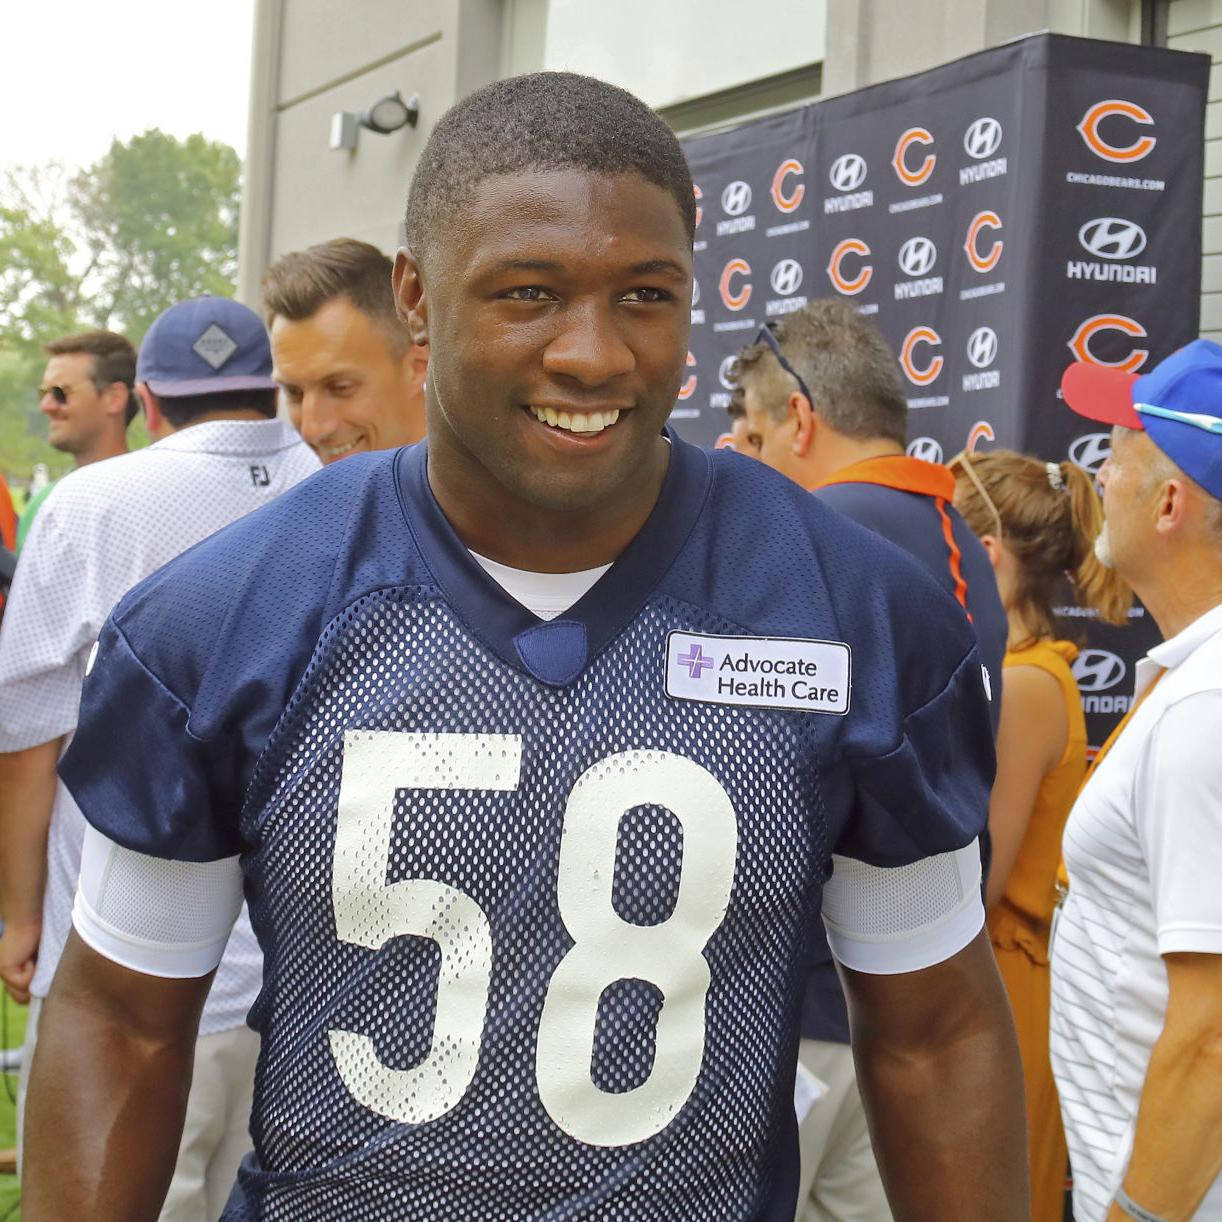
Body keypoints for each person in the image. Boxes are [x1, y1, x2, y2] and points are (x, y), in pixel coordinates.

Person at [25, 73, 1026, 1220]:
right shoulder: (230, 614)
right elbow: (122, 1016)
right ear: (416, 297)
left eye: (645, 294)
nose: (593, 354)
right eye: (528, 291)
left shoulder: (852, 610)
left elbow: (933, 1028)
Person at [0, 295, 319, 1220]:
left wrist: (19, 917)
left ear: (144, 400)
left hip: (125, 971)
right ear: (273, 388)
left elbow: (26, 735)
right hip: (304, 978)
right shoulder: (352, 487)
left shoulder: (92, 502)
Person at [734, 299, 1007, 1221]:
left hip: (800, 1005)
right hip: (918, 996)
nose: (744, 465)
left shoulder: (813, 543)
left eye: (755, 436)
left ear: (800, 420)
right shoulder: (957, 535)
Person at [1052, 339, 1222, 1222]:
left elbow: (1212, 1034)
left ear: (1169, 501)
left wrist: (1137, 1214)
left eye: (1113, 453)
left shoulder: (1207, 705)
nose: (1095, 477)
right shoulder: (1192, 681)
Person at [950, 447, 1131, 1222]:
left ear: (984, 552)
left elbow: (980, 875)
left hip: (1001, 986)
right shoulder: (1018, 670)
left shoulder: (1025, 684)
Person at [262, 237, 429, 462]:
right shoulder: (302, 491)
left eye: (340, 388)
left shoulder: (486, 487)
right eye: (293, 393)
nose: (313, 430)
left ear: (419, 366)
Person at [17, 330, 138, 549]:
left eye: (60, 393)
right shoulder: (42, 504)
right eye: (43, 393)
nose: (46, 406)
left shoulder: (150, 498)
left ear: (115, 398)